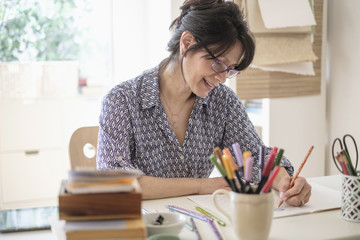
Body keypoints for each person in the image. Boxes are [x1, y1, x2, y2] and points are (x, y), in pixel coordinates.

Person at [96, 0, 311, 206]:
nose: (222, 78)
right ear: (187, 43)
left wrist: (284, 181)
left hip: (200, 222)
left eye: (231, 69)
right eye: (218, 64)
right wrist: (201, 185)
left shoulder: (222, 102)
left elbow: (253, 157)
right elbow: (115, 183)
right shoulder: (122, 101)